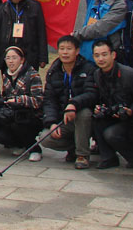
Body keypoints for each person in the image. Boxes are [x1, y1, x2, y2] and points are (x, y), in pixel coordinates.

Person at [41, 36, 97, 169]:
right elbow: (49, 100)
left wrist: (74, 104)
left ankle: (82, 155)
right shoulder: (54, 71)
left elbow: (92, 94)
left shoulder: (88, 69)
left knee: (84, 113)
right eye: (62, 49)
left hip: (88, 117)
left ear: (77, 51)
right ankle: (74, 147)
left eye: (69, 49)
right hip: (65, 118)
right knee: (46, 138)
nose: (65, 52)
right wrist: (52, 122)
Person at [91, 39, 133, 169]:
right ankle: (108, 158)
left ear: (113, 55)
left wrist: (131, 110)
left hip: (132, 118)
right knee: (96, 119)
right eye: (97, 55)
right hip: (113, 114)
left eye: (104, 54)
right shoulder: (97, 74)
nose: (101, 59)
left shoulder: (130, 74)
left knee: (111, 134)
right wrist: (99, 108)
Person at [0, 46, 44, 162]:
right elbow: (5, 95)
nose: (10, 61)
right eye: (8, 58)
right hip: (13, 113)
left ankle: (35, 149)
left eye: (14, 58)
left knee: (19, 125)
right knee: (1, 136)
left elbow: (38, 100)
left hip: (31, 115)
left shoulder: (32, 75)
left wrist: (19, 100)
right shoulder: (6, 75)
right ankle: (20, 145)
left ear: (22, 59)